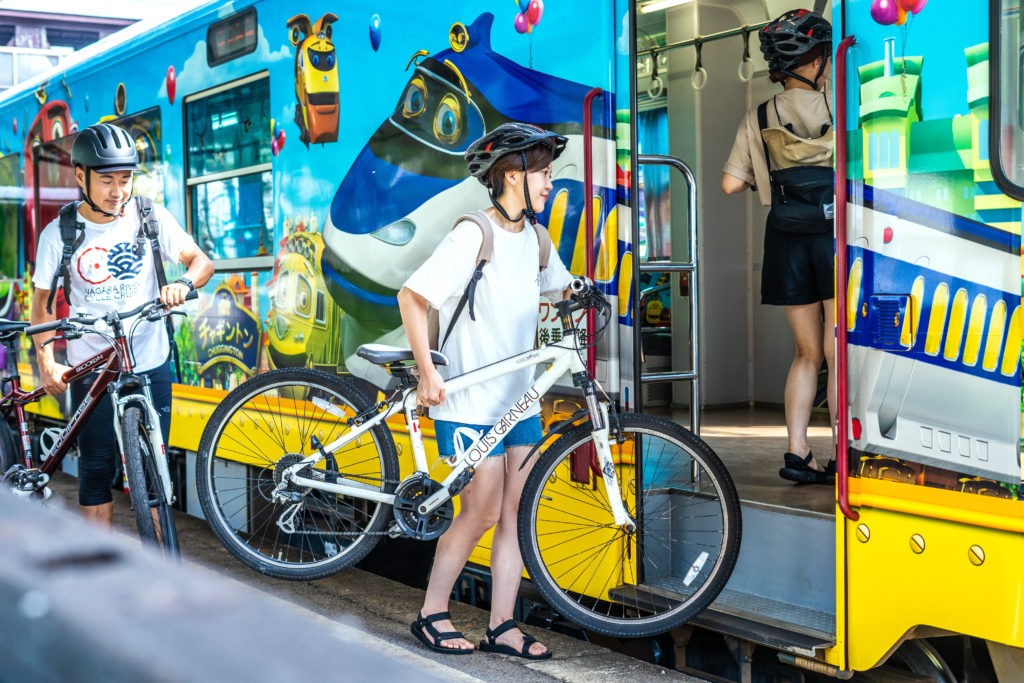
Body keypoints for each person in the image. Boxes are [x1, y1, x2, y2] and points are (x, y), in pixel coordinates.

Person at [398, 122, 574, 658]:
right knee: (479, 511)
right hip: (470, 401)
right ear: (511, 175)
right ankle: (431, 614)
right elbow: (412, 297)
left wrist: (580, 301)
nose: (550, 182)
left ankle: (502, 625)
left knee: (516, 515)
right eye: (543, 172)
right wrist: (429, 372)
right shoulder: (475, 233)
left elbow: (560, 292)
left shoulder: (538, 240)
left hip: (519, 402)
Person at [30, 122, 214, 525]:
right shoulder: (58, 233)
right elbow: (40, 305)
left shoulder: (151, 216)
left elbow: (201, 262)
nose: (118, 191)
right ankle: (101, 577)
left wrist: (183, 283)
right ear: (81, 176)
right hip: (91, 370)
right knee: (96, 468)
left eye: (126, 179)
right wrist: (47, 363)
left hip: (149, 360)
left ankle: (162, 569)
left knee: (152, 471)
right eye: (107, 180)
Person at [721, 9, 836, 485]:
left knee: (807, 353)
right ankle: (848, 456)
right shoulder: (838, 108)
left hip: (786, 240)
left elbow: (729, 184)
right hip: (836, 239)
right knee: (840, 351)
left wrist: (761, 179)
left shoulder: (758, 116)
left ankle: (797, 453)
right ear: (815, 63)